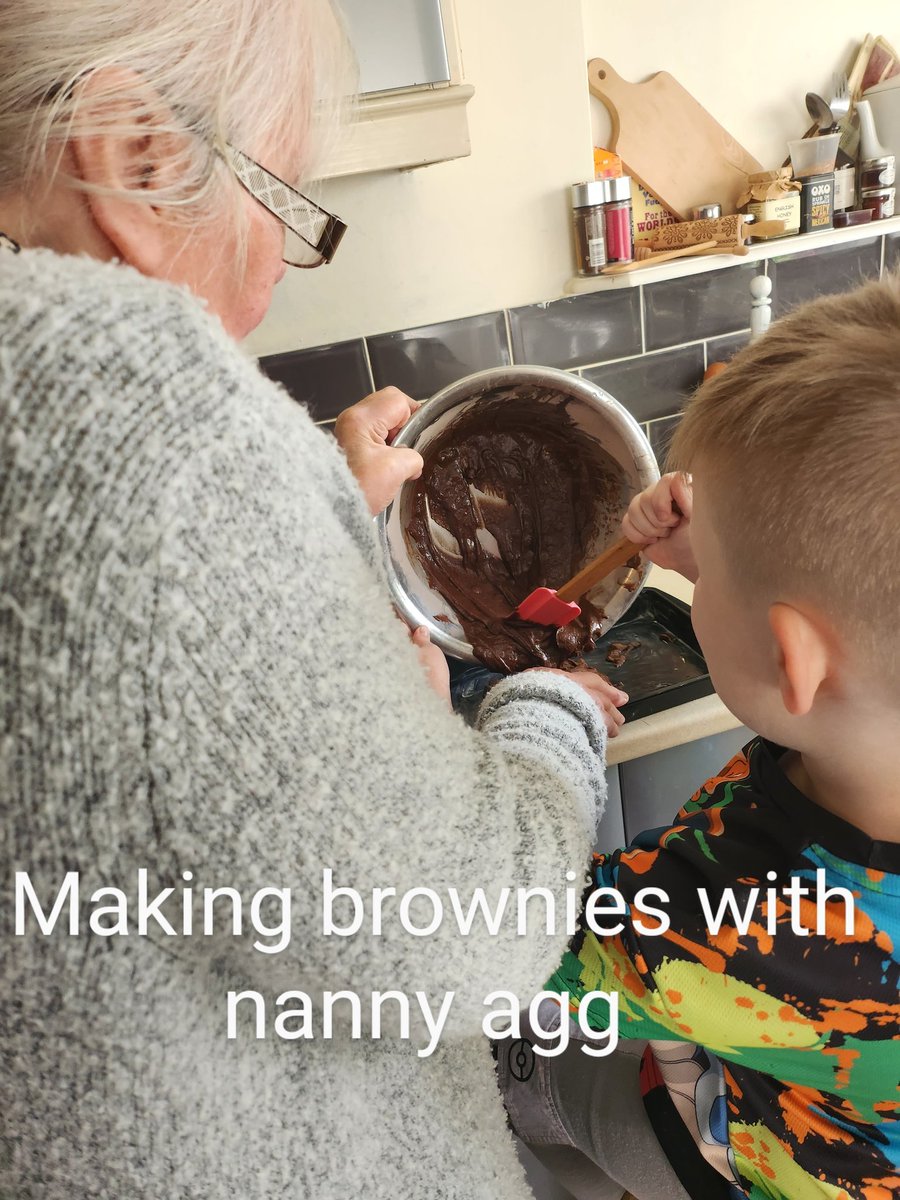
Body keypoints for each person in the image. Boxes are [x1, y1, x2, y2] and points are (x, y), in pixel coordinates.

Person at [0, 3, 629, 1197]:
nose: (268, 285)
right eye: (283, 205)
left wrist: (306, 542)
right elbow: (461, 941)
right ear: (134, 155)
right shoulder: (147, 426)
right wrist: (546, 714)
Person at [499, 277, 900, 1200]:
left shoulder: (736, 926)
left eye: (700, 580)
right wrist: (727, 553)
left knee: (527, 1064)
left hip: (765, 1159)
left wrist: (539, 720)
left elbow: (508, 934)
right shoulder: (852, 736)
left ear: (790, 659)